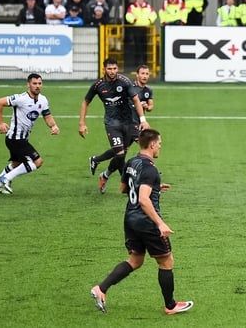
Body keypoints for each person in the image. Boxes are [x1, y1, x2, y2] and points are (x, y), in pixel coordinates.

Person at [89, 128, 193, 315]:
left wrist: (153, 188)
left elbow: (123, 188)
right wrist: (160, 223)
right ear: (152, 144)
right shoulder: (150, 168)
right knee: (166, 261)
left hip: (130, 219)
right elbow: (144, 200)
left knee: (135, 260)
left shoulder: (132, 162)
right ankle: (170, 306)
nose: (160, 147)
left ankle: (101, 289)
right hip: (147, 221)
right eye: (159, 143)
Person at [79, 58, 150, 194]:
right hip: (112, 124)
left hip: (129, 123)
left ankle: (102, 170)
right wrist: (82, 123)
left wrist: (143, 120)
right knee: (120, 154)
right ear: (104, 69)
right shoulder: (98, 85)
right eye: (109, 69)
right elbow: (85, 102)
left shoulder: (124, 81)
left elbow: (135, 99)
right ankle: (130, 186)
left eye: (115, 69)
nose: (112, 72)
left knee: (144, 146)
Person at [0, 73, 60, 195]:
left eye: (39, 83)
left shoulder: (43, 100)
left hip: (22, 139)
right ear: (28, 85)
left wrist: (53, 126)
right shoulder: (20, 98)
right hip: (15, 138)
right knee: (37, 162)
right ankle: (6, 179)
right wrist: (0, 123)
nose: (37, 86)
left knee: (16, 164)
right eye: (34, 83)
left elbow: (47, 116)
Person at [90, 64, 154, 180]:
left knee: (120, 152)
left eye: (147, 74)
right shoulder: (128, 86)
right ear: (137, 75)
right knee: (147, 145)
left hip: (137, 124)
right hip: (129, 124)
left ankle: (101, 168)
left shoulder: (148, 90)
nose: (145, 76)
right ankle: (142, 174)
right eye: (142, 73)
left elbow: (150, 106)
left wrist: (146, 107)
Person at [124, 0, 157, 69]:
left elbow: (154, 14)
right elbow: (128, 15)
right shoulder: (132, 6)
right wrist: (134, 20)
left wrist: (149, 20)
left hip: (146, 28)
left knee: (145, 46)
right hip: (136, 28)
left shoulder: (148, 6)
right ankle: (136, 63)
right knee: (137, 46)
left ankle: (145, 63)